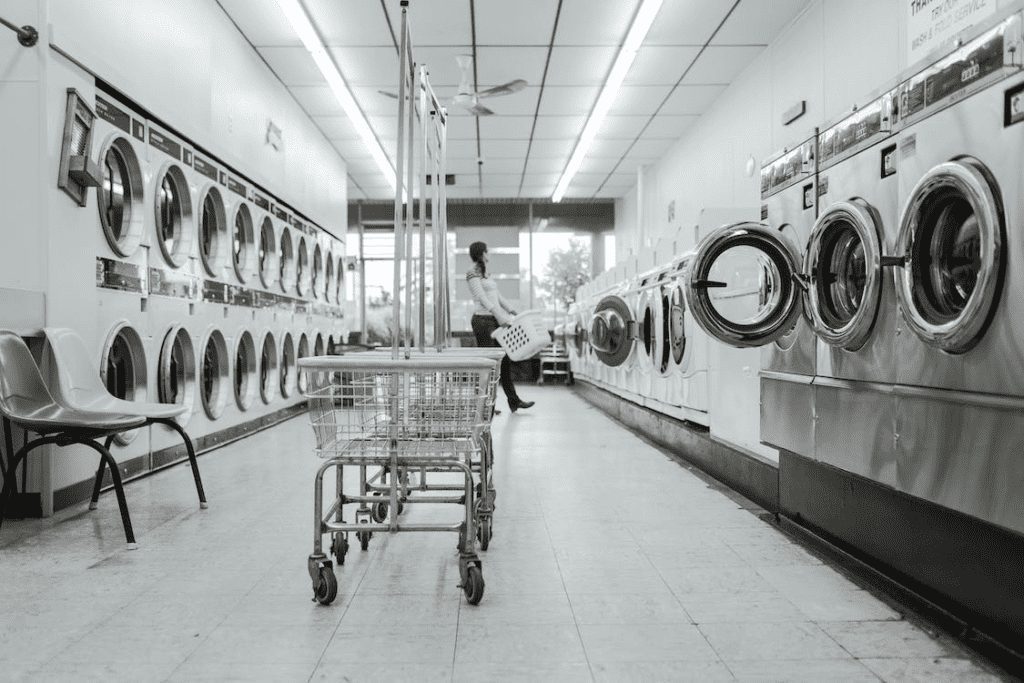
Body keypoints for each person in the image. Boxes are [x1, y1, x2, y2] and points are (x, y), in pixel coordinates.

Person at [466, 241, 534, 413]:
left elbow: (497, 296)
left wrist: (512, 311)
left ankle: (514, 401)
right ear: (482, 253)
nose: (489, 254)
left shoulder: (487, 274)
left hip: (494, 320)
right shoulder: (472, 273)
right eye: (487, 251)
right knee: (488, 365)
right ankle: (485, 406)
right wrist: (499, 315)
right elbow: (482, 298)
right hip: (482, 321)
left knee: (504, 361)